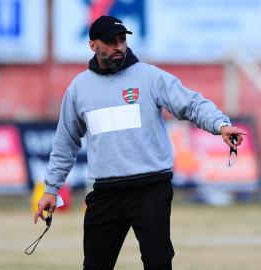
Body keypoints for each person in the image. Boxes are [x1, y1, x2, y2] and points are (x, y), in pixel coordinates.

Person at [34, 15, 246, 270]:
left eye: (122, 40)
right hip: (106, 193)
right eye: (111, 42)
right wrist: (51, 188)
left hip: (150, 189)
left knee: (158, 264)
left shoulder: (149, 77)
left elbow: (191, 104)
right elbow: (65, 142)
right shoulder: (79, 89)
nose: (119, 46)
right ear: (93, 45)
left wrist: (220, 125)